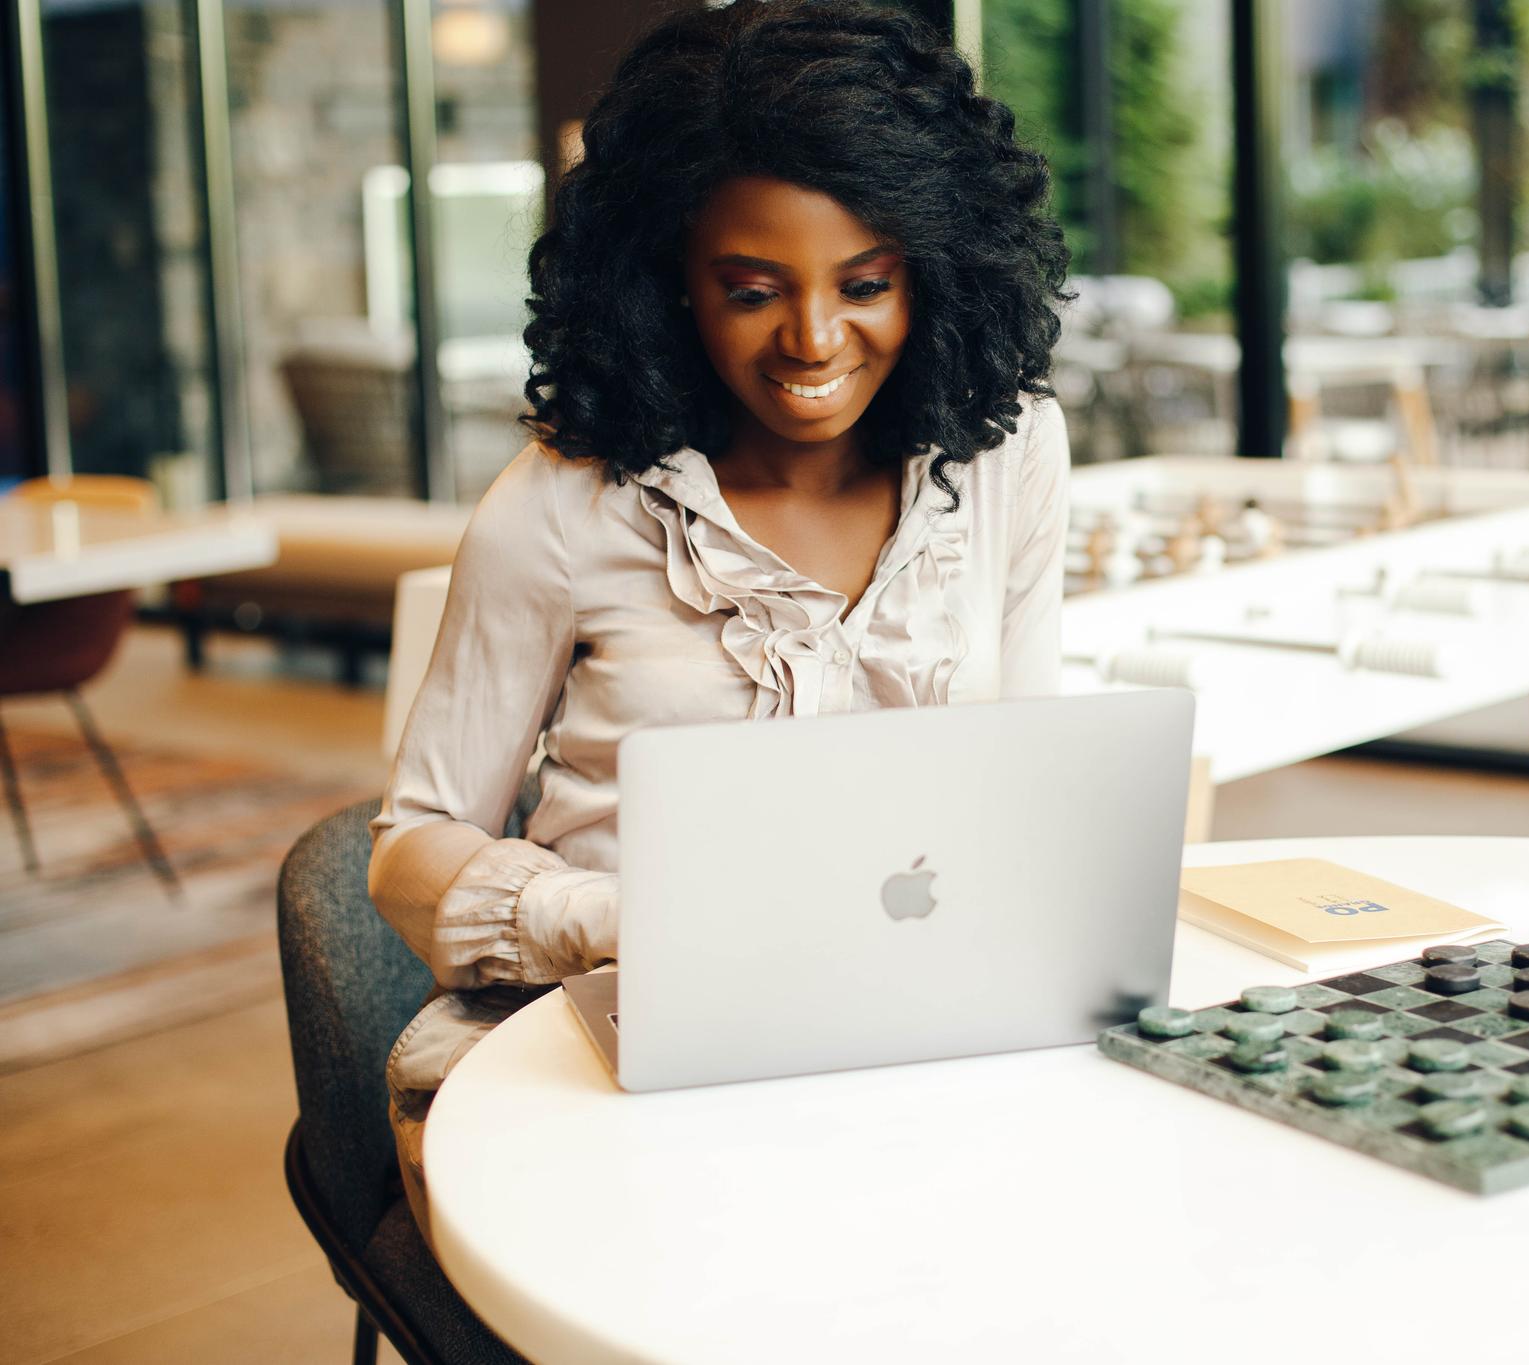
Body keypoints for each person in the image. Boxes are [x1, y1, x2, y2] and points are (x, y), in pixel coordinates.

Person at [367, 0, 1072, 1239]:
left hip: (895, 1030)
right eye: (752, 290)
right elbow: (412, 844)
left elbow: (1013, 775)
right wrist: (615, 920)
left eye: (865, 284)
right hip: (612, 1041)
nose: (813, 339)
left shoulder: (1006, 461)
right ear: (668, 282)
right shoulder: (561, 507)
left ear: (934, 265)